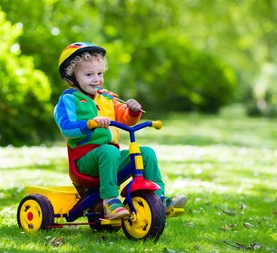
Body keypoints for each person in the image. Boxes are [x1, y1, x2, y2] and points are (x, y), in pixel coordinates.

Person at [54, 42, 186, 220]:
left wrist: (133, 110)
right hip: (85, 160)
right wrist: (90, 124)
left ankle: (158, 199)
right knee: (108, 151)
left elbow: (126, 119)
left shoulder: (107, 97)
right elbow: (67, 128)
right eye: (89, 74)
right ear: (72, 76)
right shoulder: (69, 100)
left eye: (100, 74)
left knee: (145, 153)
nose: (96, 79)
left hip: (111, 157)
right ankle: (110, 201)